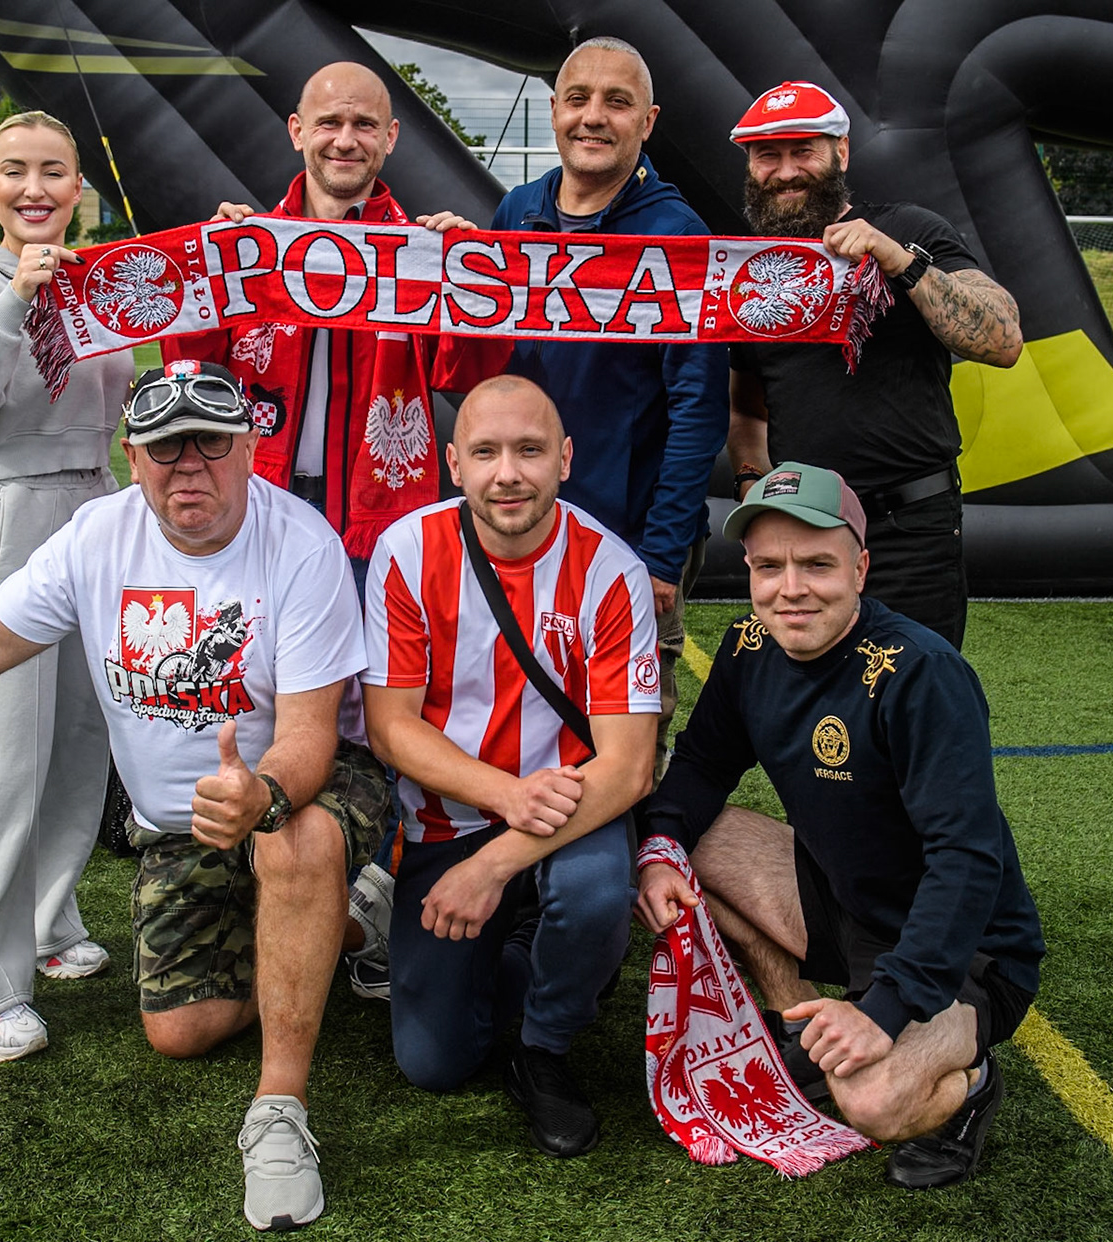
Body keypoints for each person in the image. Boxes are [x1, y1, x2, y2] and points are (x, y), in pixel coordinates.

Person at [0, 361, 392, 1232]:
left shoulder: (300, 542)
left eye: (210, 444)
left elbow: (309, 736)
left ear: (250, 447)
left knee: (295, 843)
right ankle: (349, 922)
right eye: (164, 448)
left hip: (303, 788)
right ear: (130, 457)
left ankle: (280, 1113)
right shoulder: (95, 536)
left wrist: (260, 793)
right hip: (182, 826)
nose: (190, 466)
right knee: (180, 1032)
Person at [163, 61, 511, 1000]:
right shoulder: (250, 243)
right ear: (295, 131)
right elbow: (189, 369)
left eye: (366, 124)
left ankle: (369, 902)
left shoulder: (418, 248)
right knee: (257, 697)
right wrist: (212, 270)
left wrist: (468, 273)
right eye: (330, 123)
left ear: (391, 139)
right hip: (265, 512)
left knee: (381, 712)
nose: (346, 140)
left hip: (382, 519)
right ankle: (246, 875)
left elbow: (469, 377)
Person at [634, 461, 1044, 1189]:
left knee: (874, 1101)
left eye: (816, 564)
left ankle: (972, 1083)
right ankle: (804, 1025)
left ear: (859, 566)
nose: (791, 589)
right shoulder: (748, 647)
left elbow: (967, 859)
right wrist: (660, 850)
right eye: (770, 567)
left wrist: (886, 1011)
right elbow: (697, 770)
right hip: (841, 900)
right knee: (680, 840)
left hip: (966, 951)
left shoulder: (921, 673)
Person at [361, 376, 659, 1157]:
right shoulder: (406, 550)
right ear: (453, 464)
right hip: (453, 816)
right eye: (486, 453)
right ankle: (532, 950)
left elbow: (627, 770)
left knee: (596, 890)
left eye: (529, 451)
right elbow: (391, 729)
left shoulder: (610, 568)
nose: (508, 474)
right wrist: (502, 797)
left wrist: (494, 864)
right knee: (434, 1064)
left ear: (564, 457)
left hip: (570, 816)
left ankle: (547, 1046)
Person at [0, 111, 133, 1064]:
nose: (36, 188)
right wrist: (14, 304)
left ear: (80, 185)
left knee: (83, 737)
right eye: (16, 172)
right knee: (2, 751)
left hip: (98, 503)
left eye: (54, 172)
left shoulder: (100, 276)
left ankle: (49, 918)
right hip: (10, 508)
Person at [490, 36, 729, 757]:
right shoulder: (514, 213)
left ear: (647, 122)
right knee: (520, 700)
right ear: (554, 111)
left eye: (617, 103)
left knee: (624, 725)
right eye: (578, 99)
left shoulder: (679, 234)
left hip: (629, 533)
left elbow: (699, 410)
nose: (594, 117)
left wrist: (661, 556)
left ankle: (624, 858)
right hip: (521, 521)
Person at [725, 81, 1024, 650]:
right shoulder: (751, 269)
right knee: (812, 708)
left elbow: (1003, 338)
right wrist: (750, 488)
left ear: (841, 151)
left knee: (916, 697)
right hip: (805, 528)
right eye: (768, 155)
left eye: (802, 151)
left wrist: (897, 261)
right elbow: (747, 410)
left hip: (910, 528)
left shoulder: (910, 230)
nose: (786, 171)